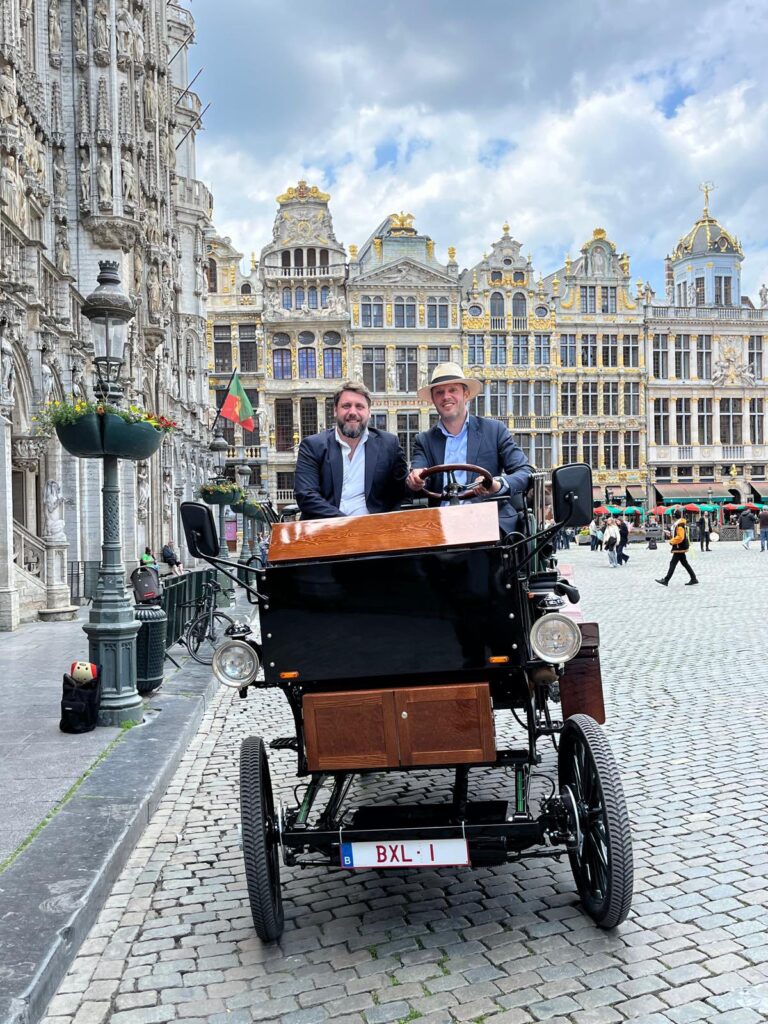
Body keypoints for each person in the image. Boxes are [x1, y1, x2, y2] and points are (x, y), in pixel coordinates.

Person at [406, 363, 532, 534]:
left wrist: (496, 484)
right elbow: (418, 472)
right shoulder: (424, 440)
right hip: (440, 525)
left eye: (453, 390)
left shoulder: (494, 430)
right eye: (439, 392)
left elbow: (525, 471)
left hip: (487, 522)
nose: (446, 396)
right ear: (433, 399)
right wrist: (415, 478)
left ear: (466, 394)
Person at [294, 381, 408, 519]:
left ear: (369, 412)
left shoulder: (389, 445)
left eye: (359, 406)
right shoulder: (312, 446)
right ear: (335, 410)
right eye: (346, 406)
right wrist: (349, 525)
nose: (353, 412)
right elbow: (306, 496)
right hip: (325, 532)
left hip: (373, 534)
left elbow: (403, 491)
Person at [656, 510, 698, 586]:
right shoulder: (679, 524)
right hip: (680, 546)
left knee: (673, 563)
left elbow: (680, 537)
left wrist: (672, 541)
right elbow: (677, 535)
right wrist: (670, 534)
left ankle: (666, 580)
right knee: (685, 563)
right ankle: (693, 578)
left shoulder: (679, 524)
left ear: (674, 516)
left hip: (679, 547)